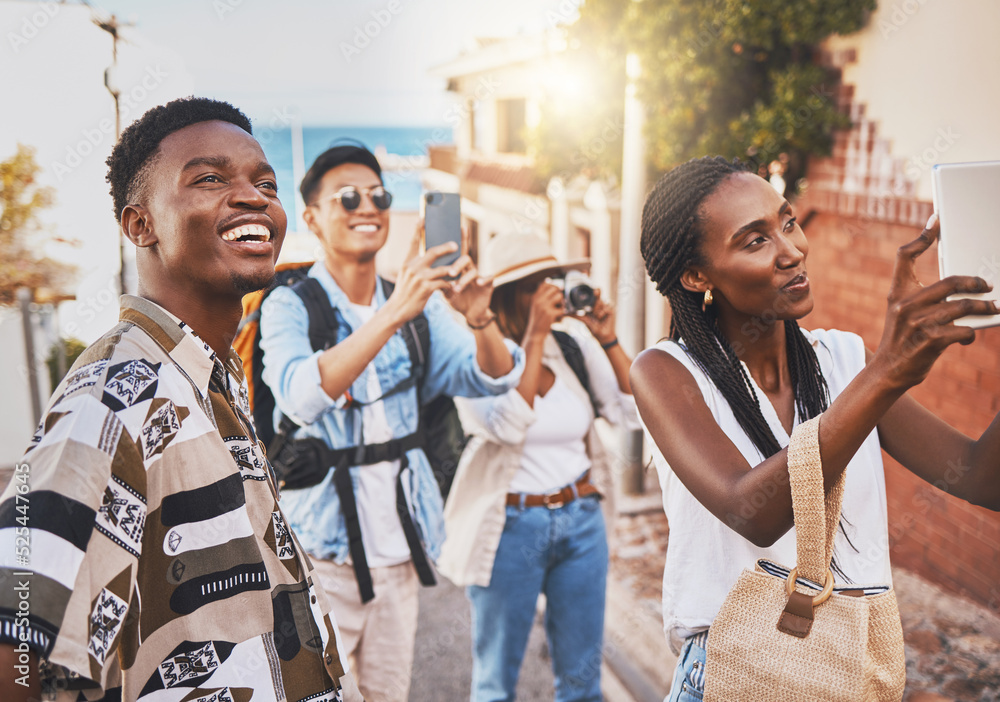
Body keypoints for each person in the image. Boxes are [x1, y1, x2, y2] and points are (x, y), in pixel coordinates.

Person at [0, 98, 361, 701]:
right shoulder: (117, 393)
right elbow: (16, 630)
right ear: (139, 224)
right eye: (211, 178)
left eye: (264, 183)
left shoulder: (209, 376)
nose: (254, 198)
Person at [630, 155, 1000, 700]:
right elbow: (750, 509)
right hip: (737, 671)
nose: (792, 250)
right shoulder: (666, 374)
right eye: (754, 241)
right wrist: (885, 376)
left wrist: (878, 375)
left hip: (852, 669)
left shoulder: (847, 360)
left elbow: (978, 477)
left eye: (787, 222)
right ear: (696, 275)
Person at [258, 144, 524, 702]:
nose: (368, 207)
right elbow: (300, 395)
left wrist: (481, 320)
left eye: (379, 196)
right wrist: (392, 311)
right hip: (320, 558)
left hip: (400, 557)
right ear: (311, 218)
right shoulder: (291, 305)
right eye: (348, 197)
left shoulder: (419, 306)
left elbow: (489, 378)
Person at [437, 233, 641, 702]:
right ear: (511, 292)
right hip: (510, 528)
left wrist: (606, 336)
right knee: (495, 685)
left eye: (556, 279)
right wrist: (533, 337)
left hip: (581, 520)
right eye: (539, 283)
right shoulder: (475, 359)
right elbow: (507, 424)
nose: (553, 291)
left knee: (582, 684)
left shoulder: (572, 347)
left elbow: (634, 411)